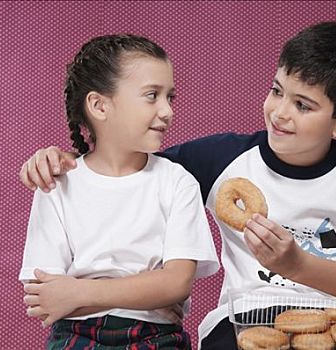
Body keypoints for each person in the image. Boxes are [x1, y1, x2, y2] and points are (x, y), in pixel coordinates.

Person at [20, 22, 336, 350]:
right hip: (245, 318)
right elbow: (124, 158)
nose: (280, 112)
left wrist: (296, 264)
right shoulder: (220, 158)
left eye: (303, 105)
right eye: (276, 90)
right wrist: (62, 156)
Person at [19, 34, 219, 349]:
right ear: (99, 105)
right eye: (152, 95)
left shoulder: (177, 182)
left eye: (170, 97)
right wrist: (147, 293)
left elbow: (177, 283)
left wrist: (79, 292)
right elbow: (45, 299)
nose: (167, 111)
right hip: (75, 336)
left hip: (157, 337)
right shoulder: (57, 183)